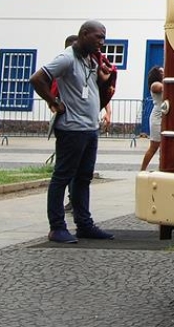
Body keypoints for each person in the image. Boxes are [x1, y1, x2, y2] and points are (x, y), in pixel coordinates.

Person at [30, 20, 115, 243]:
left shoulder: (90, 60)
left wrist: (105, 81)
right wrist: (54, 101)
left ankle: (84, 224)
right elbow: (37, 78)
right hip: (71, 129)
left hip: (89, 128)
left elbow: (93, 88)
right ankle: (57, 227)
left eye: (104, 38)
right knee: (62, 177)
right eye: (98, 37)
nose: (102, 42)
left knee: (83, 179)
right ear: (84, 34)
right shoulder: (67, 58)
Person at [139, 67, 165, 171]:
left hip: (164, 117)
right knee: (154, 146)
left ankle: (162, 167)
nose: (164, 72)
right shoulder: (155, 85)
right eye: (162, 72)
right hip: (157, 119)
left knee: (165, 146)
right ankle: (142, 169)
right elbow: (163, 87)